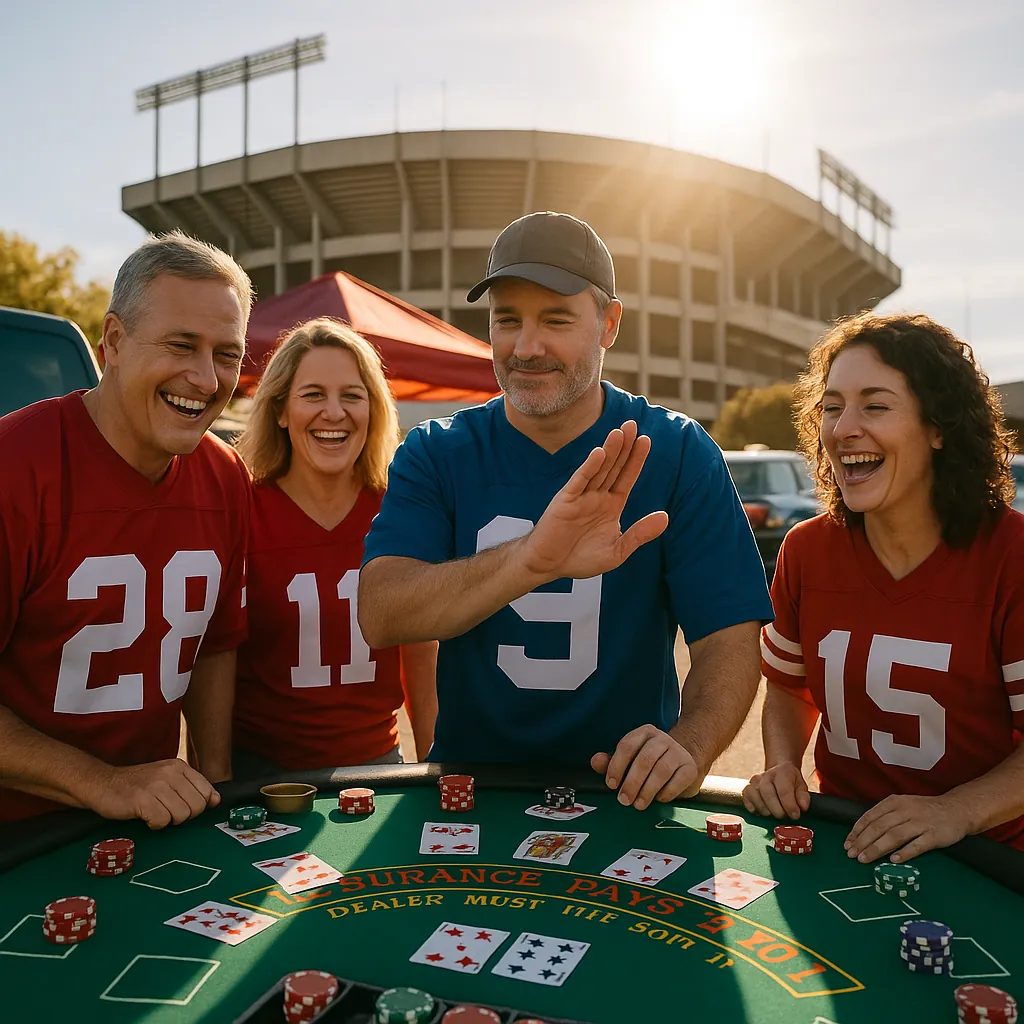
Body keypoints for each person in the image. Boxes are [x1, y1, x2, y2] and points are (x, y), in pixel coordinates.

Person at [358, 211, 773, 809]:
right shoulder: (437, 450)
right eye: (508, 320)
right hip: (472, 789)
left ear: (608, 324)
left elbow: (728, 633)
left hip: (626, 790)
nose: (527, 347)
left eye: (555, 319)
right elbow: (383, 611)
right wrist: (532, 560)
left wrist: (692, 742)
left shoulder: (677, 451)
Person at [744, 312, 1024, 861]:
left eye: (875, 405)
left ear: (938, 425)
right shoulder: (805, 551)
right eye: (831, 407)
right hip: (845, 843)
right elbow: (787, 687)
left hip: (987, 865)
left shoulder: (1011, 557)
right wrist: (781, 764)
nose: (843, 428)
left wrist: (955, 810)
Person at [0, 231, 252, 829]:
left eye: (227, 354)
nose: (206, 378)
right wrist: (103, 783)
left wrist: (216, 783)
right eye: (181, 345)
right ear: (113, 341)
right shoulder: (15, 468)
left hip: (148, 825)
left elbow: (214, 643)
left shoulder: (223, 474)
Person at [231, 319, 437, 776]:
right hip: (258, 777)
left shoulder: (403, 510)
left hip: (375, 769)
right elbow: (214, 663)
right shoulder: (241, 510)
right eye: (312, 395)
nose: (334, 412)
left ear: (374, 410)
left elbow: (421, 661)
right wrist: (218, 779)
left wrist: (435, 773)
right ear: (280, 410)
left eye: (351, 395)